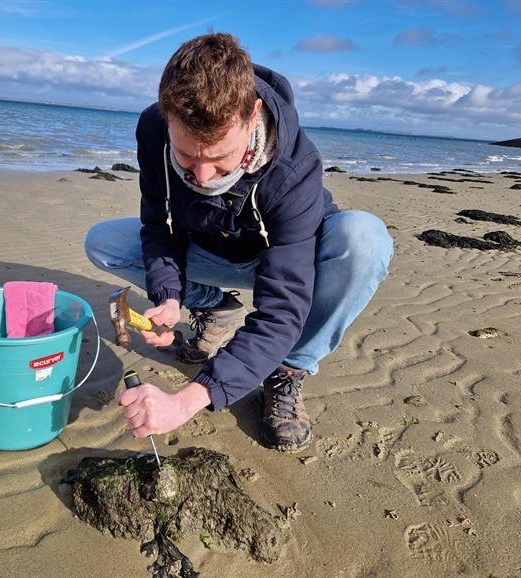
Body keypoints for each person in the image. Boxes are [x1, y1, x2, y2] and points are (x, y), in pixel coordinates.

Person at [85, 33, 393, 452]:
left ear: (253, 117)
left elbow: (282, 310)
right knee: (104, 242)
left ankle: (288, 369)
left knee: (365, 239)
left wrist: (187, 400)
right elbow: (160, 227)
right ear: (166, 115)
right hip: (211, 248)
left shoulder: (295, 169)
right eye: (187, 156)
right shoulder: (153, 130)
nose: (203, 176)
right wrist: (169, 296)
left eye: (219, 157)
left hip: (288, 259)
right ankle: (212, 305)